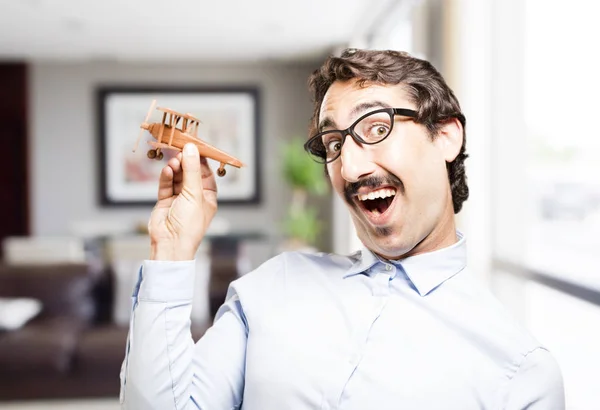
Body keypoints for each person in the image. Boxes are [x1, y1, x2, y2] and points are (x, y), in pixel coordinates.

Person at [119, 49, 565, 409]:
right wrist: (172, 248)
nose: (349, 167)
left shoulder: (520, 372)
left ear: (446, 136)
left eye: (376, 127)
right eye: (334, 143)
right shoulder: (274, 285)